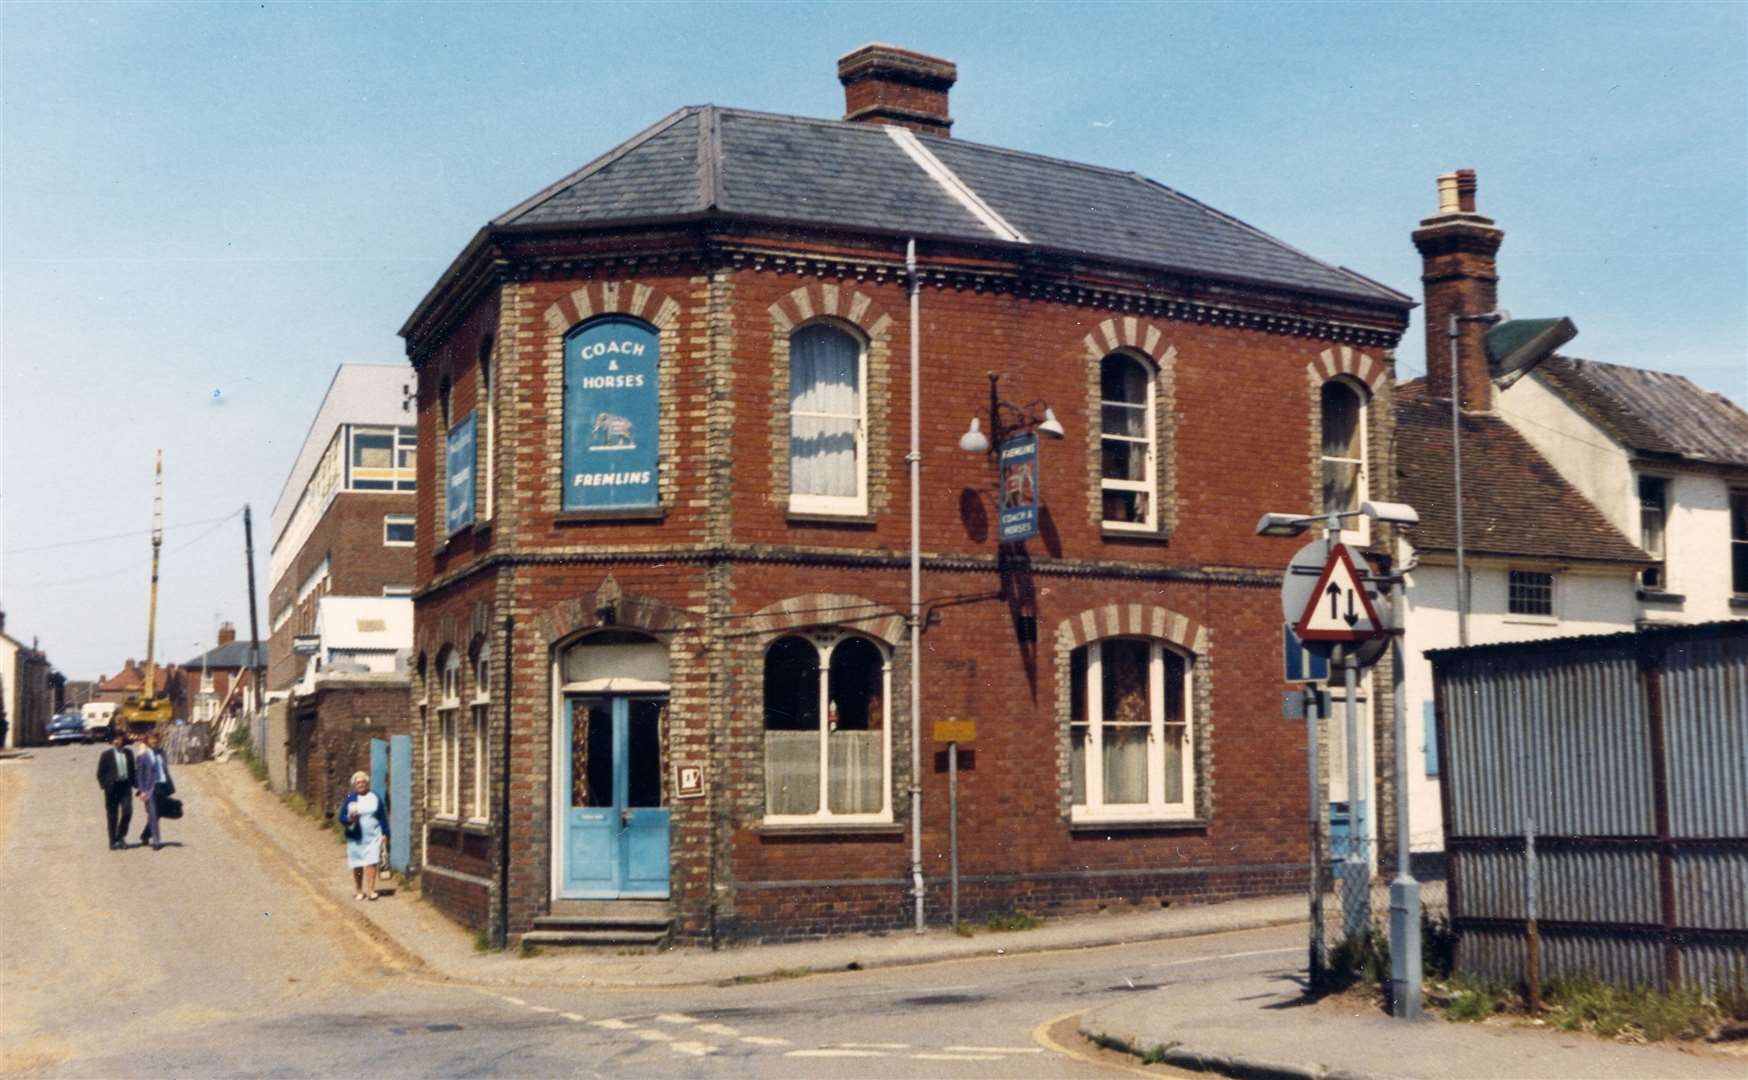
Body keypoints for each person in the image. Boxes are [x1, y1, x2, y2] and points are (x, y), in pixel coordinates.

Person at [339, 771, 389, 900]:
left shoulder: (374, 797)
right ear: (354, 785)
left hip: (373, 836)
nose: (361, 784)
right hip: (355, 837)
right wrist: (350, 820)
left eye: (363, 782)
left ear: (367, 783)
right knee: (357, 864)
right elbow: (342, 817)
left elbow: (382, 816)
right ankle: (359, 890)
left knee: (371, 862)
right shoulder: (350, 798)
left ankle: (371, 890)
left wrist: (385, 832)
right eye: (358, 782)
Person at [96, 730, 135, 849]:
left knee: (127, 811)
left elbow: (133, 771)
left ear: (123, 740)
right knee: (112, 815)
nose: (117, 742)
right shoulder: (106, 755)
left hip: (125, 787)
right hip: (112, 788)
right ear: (112, 741)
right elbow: (100, 773)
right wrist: (105, 786)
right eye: (115, 739)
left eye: (119, 739)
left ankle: (121, 836)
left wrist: (137, 785)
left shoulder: (129, 753)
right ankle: (112, 841)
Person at [134, 730, 170, 850]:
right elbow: (139, 774)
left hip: (162, 786)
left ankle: (145, 835)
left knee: (157, 814)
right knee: (153, 813)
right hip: (150, 788)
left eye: (156, 739)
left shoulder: (162, 753)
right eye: (151, 739)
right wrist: (142, 790)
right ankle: (156, 841)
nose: (154, 741)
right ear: (147, 741)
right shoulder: (143, 756)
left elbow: (165, 770)